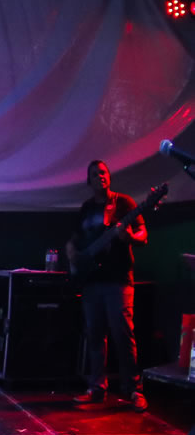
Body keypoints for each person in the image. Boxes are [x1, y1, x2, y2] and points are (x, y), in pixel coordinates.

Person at [66, 160, 148, 410]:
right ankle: (96, 388)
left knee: (123, 335)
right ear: (89, 181)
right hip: (92, 281)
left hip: (118, 280)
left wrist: (129, 237)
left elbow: (143, 235)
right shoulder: (87, 208)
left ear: (109, 176)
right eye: (94, 174)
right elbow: (75, 240)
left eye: (102, 172)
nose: (99, 176)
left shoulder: (125, 204)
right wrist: (71, 252)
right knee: (95, 335)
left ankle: (134, 389)